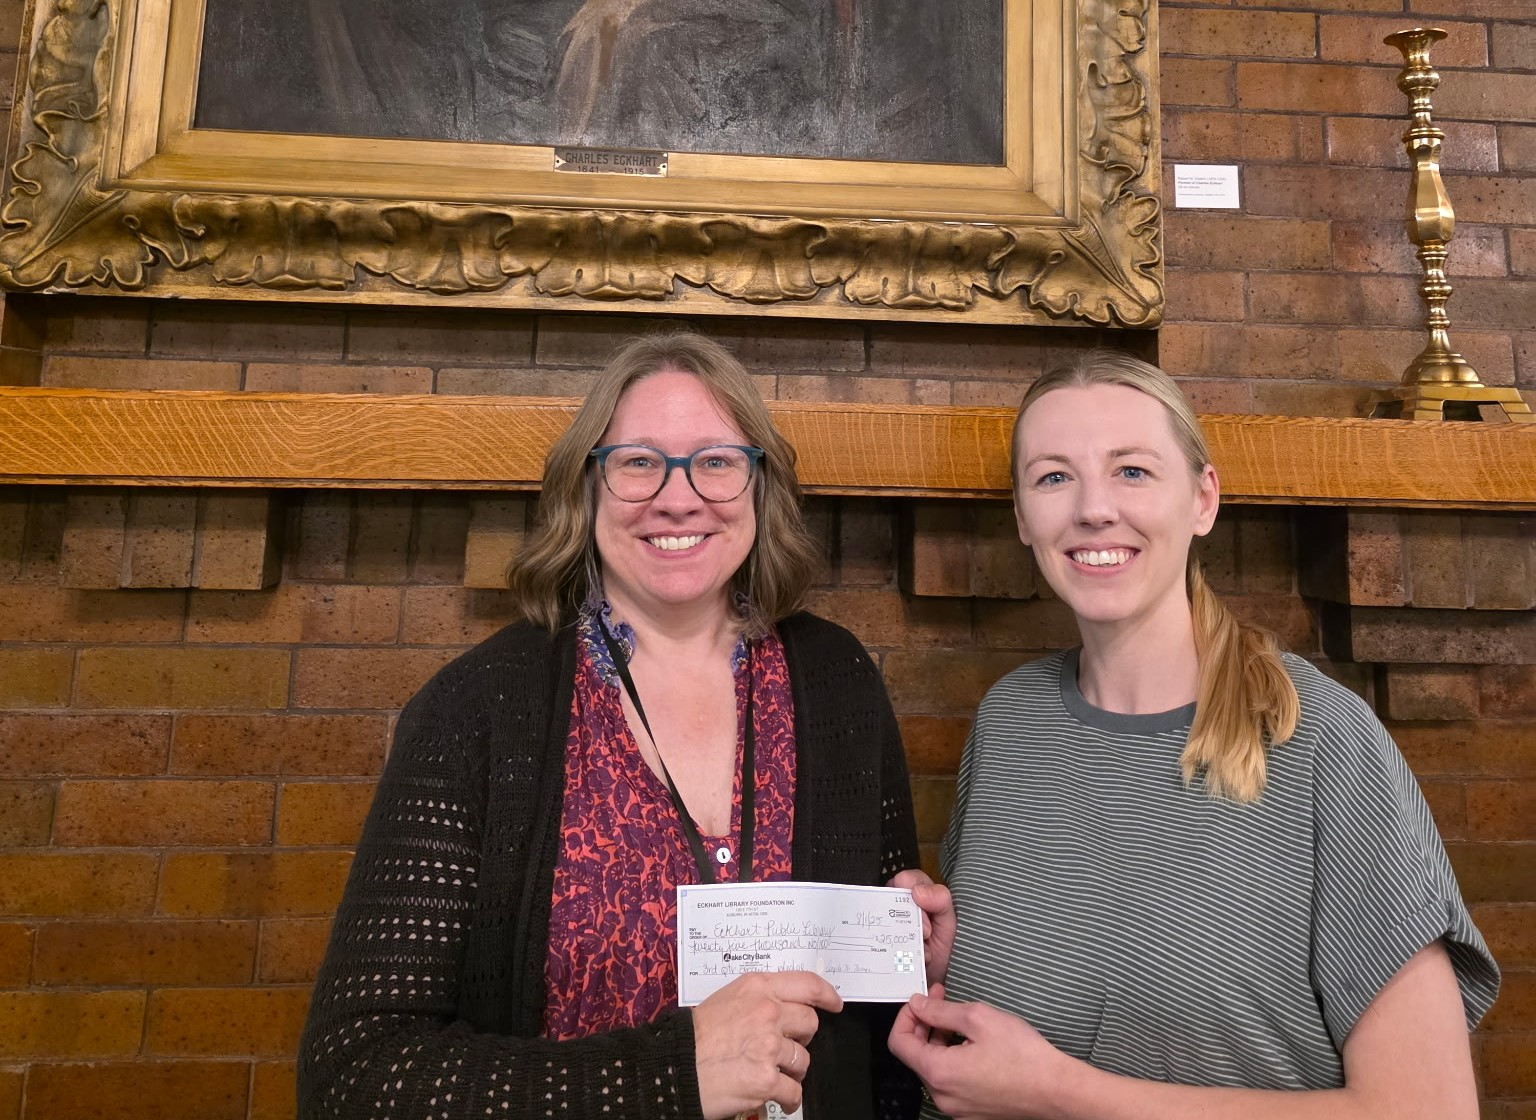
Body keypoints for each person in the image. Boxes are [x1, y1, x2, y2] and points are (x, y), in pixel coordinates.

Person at [298, 332, 921, 1120]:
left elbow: (876, 1033)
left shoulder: (838, 681)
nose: (678, 497)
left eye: (716, 461)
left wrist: (917, 967)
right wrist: (672, 1076)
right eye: (637, 462)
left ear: (760, 486)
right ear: (586, 487)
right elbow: (354, 1076)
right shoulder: (477, 709)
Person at [888, 351, 1499, 1120]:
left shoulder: (1323, 738)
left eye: (1132, 471)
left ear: (1203, 499)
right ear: (1021, 517)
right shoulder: (1010, 720)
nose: (1093, 509)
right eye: (1053, 477)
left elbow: (1429, 1109)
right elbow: (1086, 970)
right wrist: (962, 957)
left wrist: (1058, 1094)